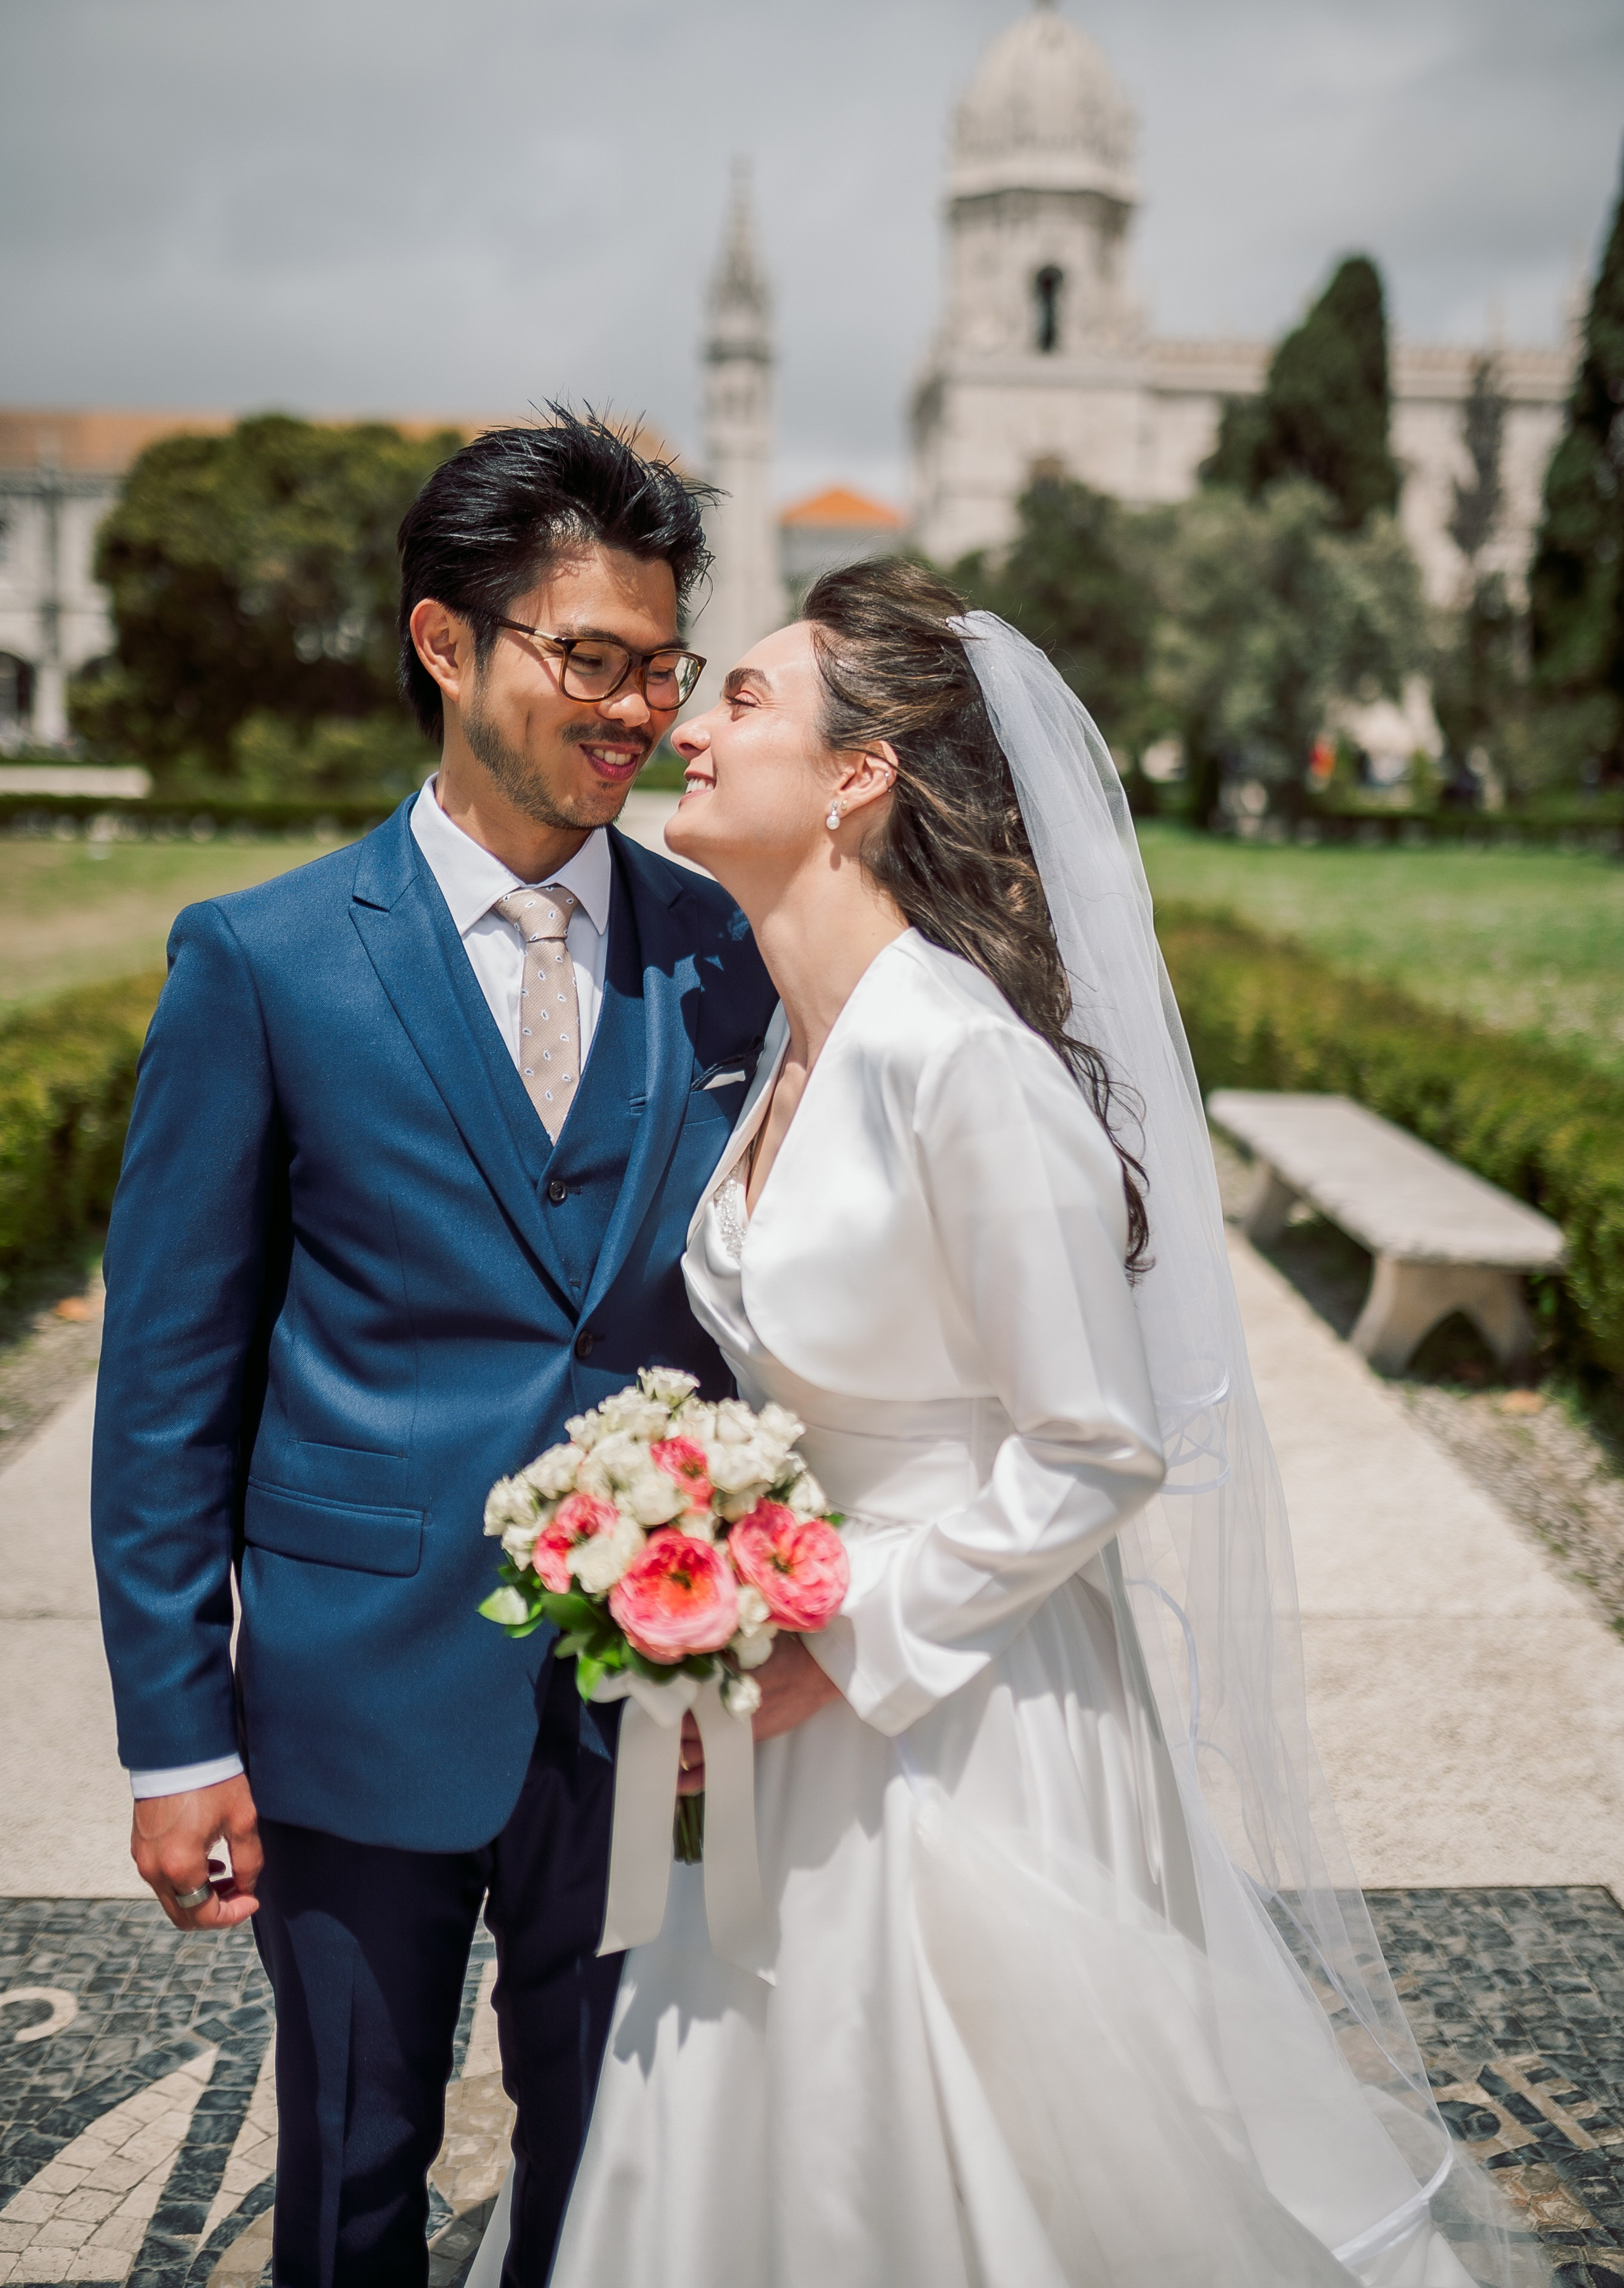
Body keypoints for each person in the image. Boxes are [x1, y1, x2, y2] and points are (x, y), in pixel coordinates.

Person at [501, 560, 1539, 2287]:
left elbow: (1094, 1443)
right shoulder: (795, 1050)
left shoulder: (960, 1060)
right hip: (773, 1692)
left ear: (858, 777)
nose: (689, 726)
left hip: (954, 1712)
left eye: (742, 699)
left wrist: (844, 1650)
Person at [89, 411, 787, 2286]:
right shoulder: (266, 959)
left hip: (654, 1706)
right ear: (446, 644)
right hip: (349, 1696)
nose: (636, 708)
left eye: (662, 665)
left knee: (621, 2171)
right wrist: (174, 1736)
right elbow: (167, 1385)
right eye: (590, 658)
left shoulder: (733, 954)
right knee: (351, 2173)